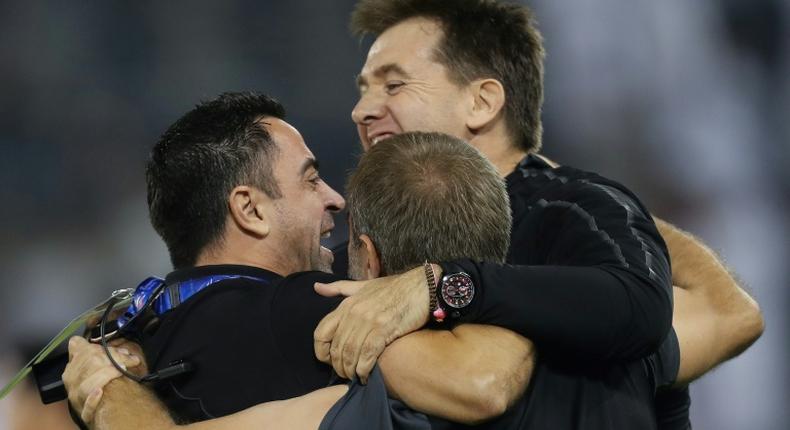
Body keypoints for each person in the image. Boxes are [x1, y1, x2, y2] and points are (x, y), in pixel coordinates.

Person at [65, 132, 760, 429]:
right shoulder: (614, 350)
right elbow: (732, 314)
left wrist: (108, 385)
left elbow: (486, 383)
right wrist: (599, 207)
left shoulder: (375, 395)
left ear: (368, 259)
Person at [309, 0, 763, 428]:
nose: (361, 110)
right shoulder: (363, 239)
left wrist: (444, 285)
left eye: (394, 84)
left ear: (482, 102)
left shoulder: (568, 218)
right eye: (364, 89)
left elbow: (649, 308)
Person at [64, 93, 533, 426]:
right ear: (250, 209)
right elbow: (481, 383)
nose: (335, 199)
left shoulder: (133, 348)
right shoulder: (302, 310)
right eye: (311, 181)